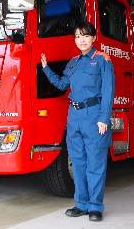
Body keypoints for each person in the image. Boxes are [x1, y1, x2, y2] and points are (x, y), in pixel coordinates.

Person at [41, 21, 115, 222]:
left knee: (95, 164)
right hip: (74, 117)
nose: (81, 40)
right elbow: (62, 84)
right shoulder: (72, 62)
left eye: (85, 36)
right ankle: (81, 204)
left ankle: (95, 207)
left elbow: (108, 91)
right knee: (79, 163)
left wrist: (103, 118)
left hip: (93, 116)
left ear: (94, 38)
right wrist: (46, 69)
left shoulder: (102, 60)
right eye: (77, 36)